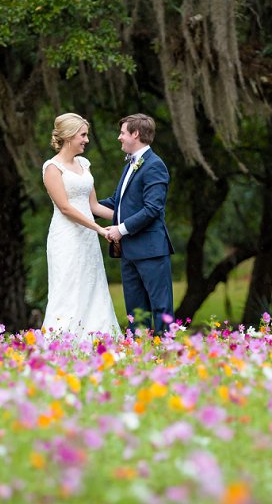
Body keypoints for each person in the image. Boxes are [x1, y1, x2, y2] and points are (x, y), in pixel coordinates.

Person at [40, 113, 121, 339]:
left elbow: (93, 205)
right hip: (66, 238)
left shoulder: (83, 164)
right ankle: (62, 342)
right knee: (69, 289)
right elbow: (65, 208)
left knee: (93, 287)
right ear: (68, 137)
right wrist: (99, 230)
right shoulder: (52, 168)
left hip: (88, 237)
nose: (86, 140)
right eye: (83, 135)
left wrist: (125, 220)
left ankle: (98, 340)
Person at [99, 113, 174, 336]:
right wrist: (79, 203)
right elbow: (116, 203)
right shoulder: (130, 165)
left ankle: (166, 356)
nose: (119, 138)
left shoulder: (154, 165)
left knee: (160, 308)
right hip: (129, 252)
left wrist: (120, 230)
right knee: (135, 312)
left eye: (122, 133)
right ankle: (139, 358)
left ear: (136, 134)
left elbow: (153, 209)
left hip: (151, 250)